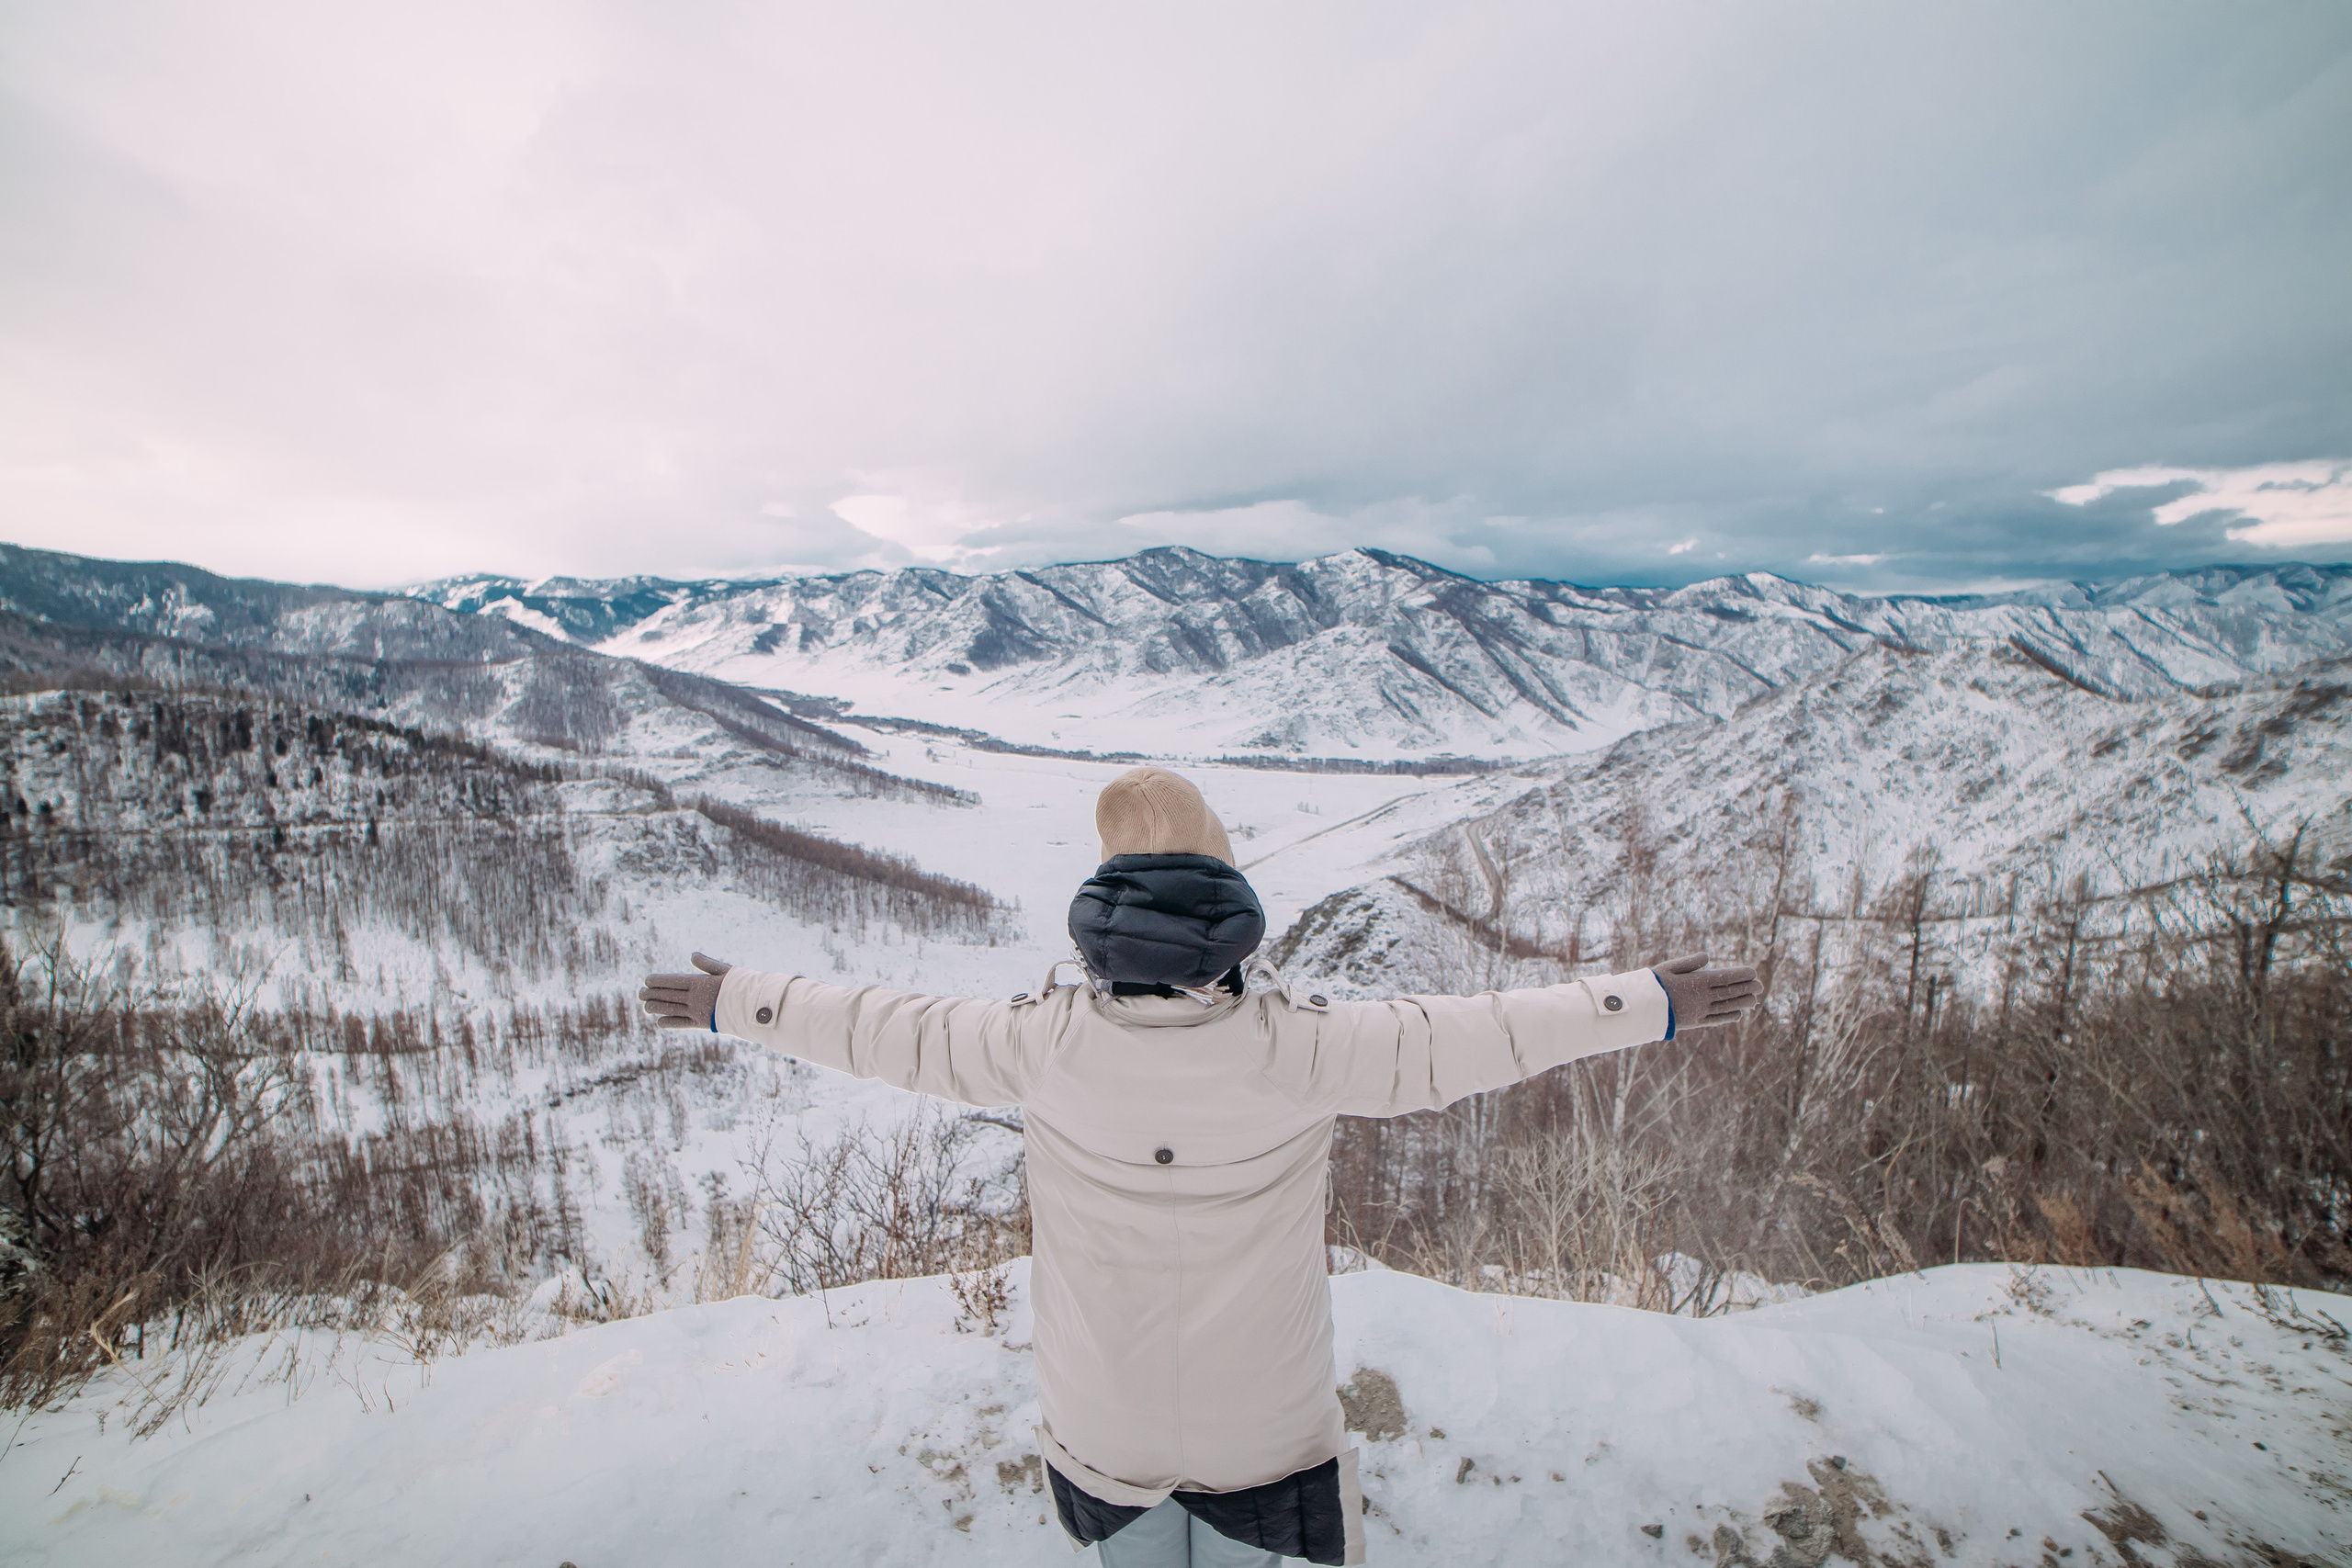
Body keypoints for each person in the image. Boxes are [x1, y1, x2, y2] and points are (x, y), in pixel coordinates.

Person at [640, 766, 1759, 1566]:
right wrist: (1640, 1002)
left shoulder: (1040, 1044)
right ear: (1234, 931)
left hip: (1104, 1410)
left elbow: (886, 1027)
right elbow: (1482, 1031)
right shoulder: (1305, 1046)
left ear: (1095, 932)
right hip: (1260, 1419)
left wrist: (743, 1000)